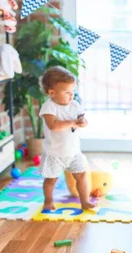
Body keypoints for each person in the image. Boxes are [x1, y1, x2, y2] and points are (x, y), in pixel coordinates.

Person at [38, 66, 94, 210]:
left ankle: (85, 201)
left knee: (82, 176)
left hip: (74, 152)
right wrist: (72, 122)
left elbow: (84, 121)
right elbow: (53, 125)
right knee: (51, 179)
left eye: (73, 92)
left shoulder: (74, 105)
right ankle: (48, 200)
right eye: (67, 92)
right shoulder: (49, 107)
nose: (71, 96)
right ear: (52, 93)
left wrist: (83, 122)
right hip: (54, 154)